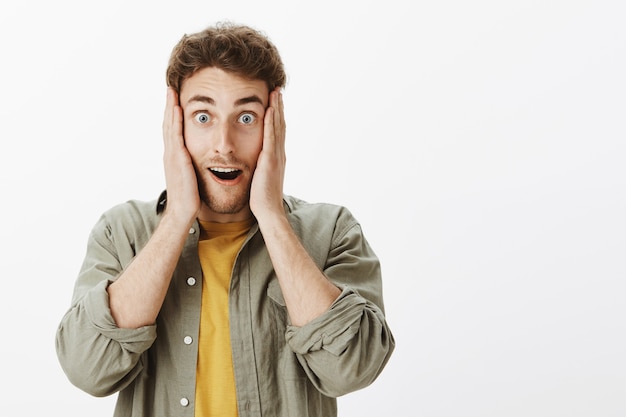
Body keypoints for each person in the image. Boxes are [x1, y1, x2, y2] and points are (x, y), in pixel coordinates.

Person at [55, 22, 395, 417]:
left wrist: (270, 214)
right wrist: (178, 216)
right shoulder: (122, 232)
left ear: (275, 125)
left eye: (246, 118)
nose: (224, 144)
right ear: (174, 125)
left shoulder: (332, 231)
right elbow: (86, 369)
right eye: (203, 117)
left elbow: (352, 369)